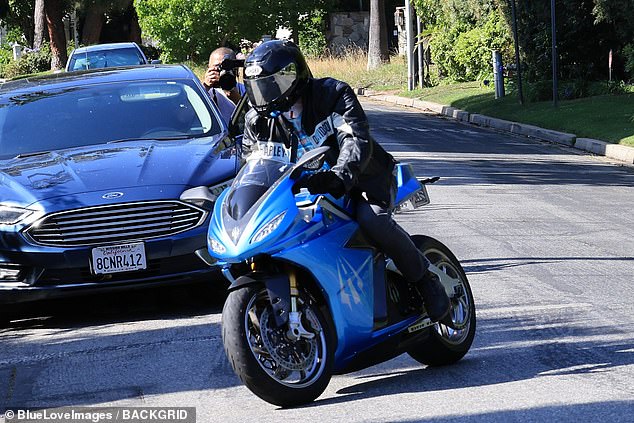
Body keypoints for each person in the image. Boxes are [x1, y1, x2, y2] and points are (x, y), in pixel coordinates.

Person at [241, 39, 453, 325]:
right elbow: (251, 164)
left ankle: (426, 281)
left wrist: (341, 176)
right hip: (301, 192)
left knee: (372, 219)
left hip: (360, 180)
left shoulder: (332, 94)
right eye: (257, 87)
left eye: (269, 85)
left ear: (291, 77)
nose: (263, 95)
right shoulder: (257, 120)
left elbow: (356, 140)